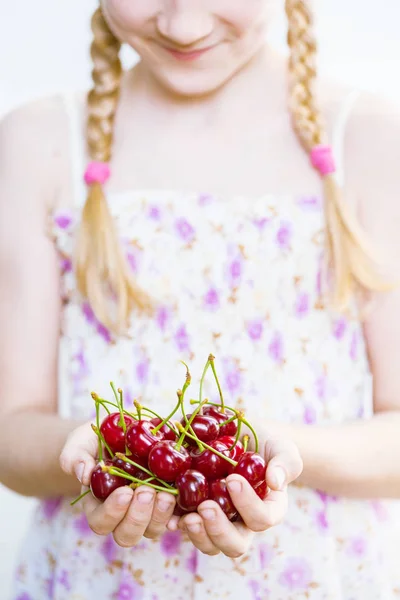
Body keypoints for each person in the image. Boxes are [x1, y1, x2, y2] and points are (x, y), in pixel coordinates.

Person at [1, 1, 400, 598]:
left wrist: (273, 454)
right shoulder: (40, 143)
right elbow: (11, 433)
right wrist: (103, 453)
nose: (184, 26)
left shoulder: (370, 140)